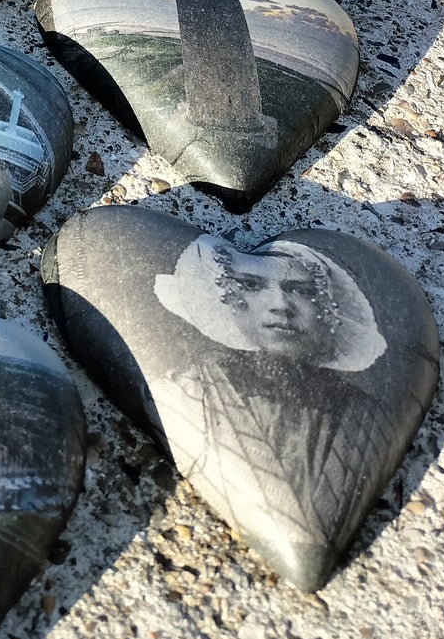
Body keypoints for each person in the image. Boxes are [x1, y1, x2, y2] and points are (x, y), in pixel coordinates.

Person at [146, 236, 388, 588]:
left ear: (328, 307)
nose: (281, 306)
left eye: (301, 291)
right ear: (228, 299)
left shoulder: (368, 416)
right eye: (251, 285)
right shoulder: (183, 393)